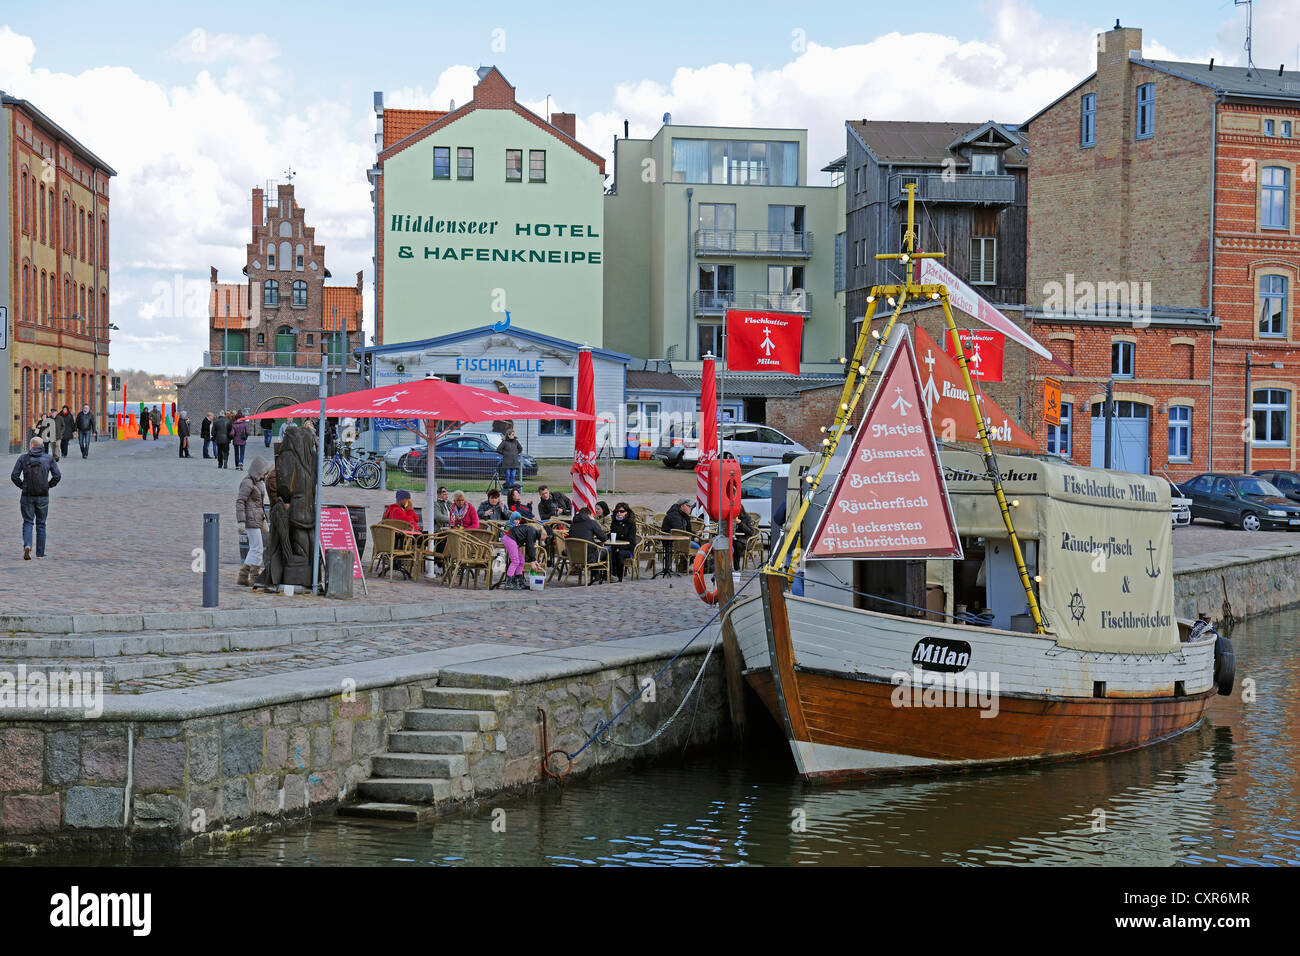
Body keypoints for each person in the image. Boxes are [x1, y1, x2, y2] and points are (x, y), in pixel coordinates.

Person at [11, 436, 61, 560]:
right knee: (41, 524)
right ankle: (40, 553)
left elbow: (14, 476)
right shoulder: (48, 458)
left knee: (28, 522)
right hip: (43, 495)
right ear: (42, 446)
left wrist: (22, 485)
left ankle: (27, 545)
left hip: (27, 495)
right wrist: (48, 485)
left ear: (31, 445)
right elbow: (57, 476)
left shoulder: (23, 458)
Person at [235, 455, 271, 585]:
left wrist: (263, 520)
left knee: (255, 548)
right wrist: (241, 521)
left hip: (256, 519)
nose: (264, 475)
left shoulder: (257, 482)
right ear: (257, 470)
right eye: (263, 472)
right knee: (257, 548)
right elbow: (240, 501)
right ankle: (251, 576)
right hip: (250, 520)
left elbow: (259, 504)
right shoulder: (248, 483)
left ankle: (245, 577)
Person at [501, 511, 544, 590]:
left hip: (513, 541)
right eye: (543, 539)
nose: (542, 541)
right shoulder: (532, 531)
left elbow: (529, 547)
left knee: (521, 561)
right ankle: (508, 583)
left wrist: (534, 561)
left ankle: (519, 582)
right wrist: (532, 562)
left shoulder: (531, 530)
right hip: (509, 539)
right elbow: (530, 546)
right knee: (515, 561)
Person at [567, 506, 608, 583]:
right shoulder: (591, 522)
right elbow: (604, 538)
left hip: (574, 557)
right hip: (589, 557)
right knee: (607, 550)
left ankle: (596, 575)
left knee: (594, 549)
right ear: (589, 515)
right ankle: (607, 576)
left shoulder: (573, 524)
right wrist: (593, 522)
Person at [608, 501, 638, 582]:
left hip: (629, 549)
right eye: (617, 511)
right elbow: (612, 534)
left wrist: (620, 547)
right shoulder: (614, 522)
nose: (619, 513)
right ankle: (611, 575)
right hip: (616, 546)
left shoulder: (631, 523)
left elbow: (631, 540)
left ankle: (619, 578)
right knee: (609, 552)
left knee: (619, 554)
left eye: (622, 511)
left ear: (626, 512)